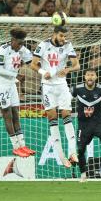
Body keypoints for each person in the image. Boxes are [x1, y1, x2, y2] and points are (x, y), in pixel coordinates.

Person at [30, 24, 80, 167]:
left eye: (65, 36)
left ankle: (72, 153)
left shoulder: (68, 45)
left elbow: (77, 65)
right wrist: (42, 73)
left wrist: (68, 69)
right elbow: (33, 64)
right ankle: (61, 156)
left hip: (62, 85)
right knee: (52, 118)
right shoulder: (43, 45)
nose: (63, 39)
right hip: (47, 87)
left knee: (66, 115)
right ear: (55, 34)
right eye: (61, 36)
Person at [0, 28, 35, 158]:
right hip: (0, 85)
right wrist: (16, 75)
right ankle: (15, 147)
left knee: (16, 112)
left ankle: (22, 145)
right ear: (13, 40)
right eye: (19, 43)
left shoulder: (21, 50)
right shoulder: (3, 50)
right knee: (7, 114)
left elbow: (33, 61)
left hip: (11, 84)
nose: (21, 46)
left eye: (22, 43)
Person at [72, 69, 101, 182]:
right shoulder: (77, 89)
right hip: (83, 124)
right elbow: (67, 100)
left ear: (96, 77)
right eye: (88, 75)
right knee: (80, 149)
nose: (90, 77)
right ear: (84, 77)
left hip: (98, 123)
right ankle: (83, 174)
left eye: (92, 75)